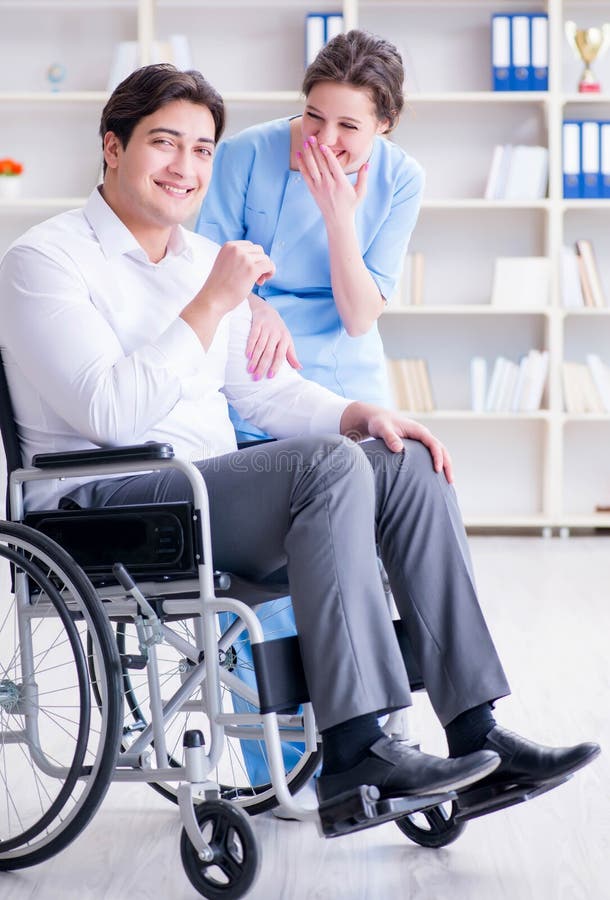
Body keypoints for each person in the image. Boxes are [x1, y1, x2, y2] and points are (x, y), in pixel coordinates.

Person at [0, 65, 599, 813]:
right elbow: (110, 410)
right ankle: (357, 750)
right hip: (109, 508)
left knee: (401, 462)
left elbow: (262, 390)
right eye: (164, 144)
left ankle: (478, 731)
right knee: (324, 469)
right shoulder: (43, 262)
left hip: (205, 490)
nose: (186, 168)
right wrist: (214, 304)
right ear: (113, 146)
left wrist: (359, 415)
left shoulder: (194, 260)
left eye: (202, 149)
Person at [195, 29, 421, 441]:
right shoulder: (245, 153)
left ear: (384, 124)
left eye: (348, 125)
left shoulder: (402, 179)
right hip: (254, 367)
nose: (324, 138)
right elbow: (204, 267)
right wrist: (252, 305)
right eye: (314, 115)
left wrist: (339, 219)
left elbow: (359, 318)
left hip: (347, 381)